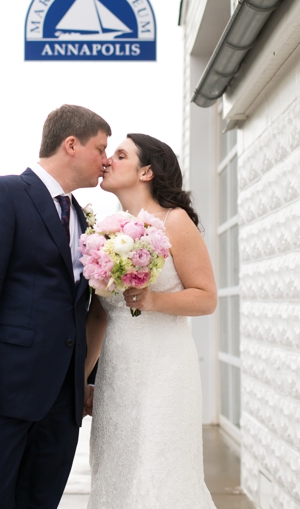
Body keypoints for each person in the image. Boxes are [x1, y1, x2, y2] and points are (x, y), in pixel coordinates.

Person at [0, 104, 111, 509]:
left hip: (60, 400)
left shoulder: (81, 219)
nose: (106, 160)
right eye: (101, 148)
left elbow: (81, 307)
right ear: (71, 144)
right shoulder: (1, 194)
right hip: (2, 390)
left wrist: (85, 381)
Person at [85, 133, 217, 508]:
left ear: (146, 171)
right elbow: (98, 314)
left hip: (165, 371)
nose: (109, 160)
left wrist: (154, 299)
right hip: (117, 374)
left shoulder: (174, 221)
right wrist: (81, 378)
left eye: (120, 154)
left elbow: (206, 297)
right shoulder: (103, 231)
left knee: (161, 471)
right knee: (116, 468)